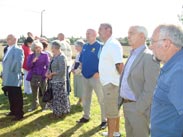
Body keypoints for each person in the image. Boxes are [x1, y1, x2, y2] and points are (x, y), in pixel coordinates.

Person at [118, 26, 160, 137]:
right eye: (128, 33)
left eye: (131, 33)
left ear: (142, 36)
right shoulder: (132, 54)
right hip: (127, 106)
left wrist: (139, 108)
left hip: (139, 109)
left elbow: (151, 88)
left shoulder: (149, 57)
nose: (128, 36)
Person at [150, 24, 183, 137]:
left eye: (153, 42)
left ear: (166, 44)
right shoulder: (173, 66)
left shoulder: (178, 71)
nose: (150, 47)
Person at [77, 28, 107, 129]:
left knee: (101, 99)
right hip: (85, 77)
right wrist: (79, 68)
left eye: (89, 33)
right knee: (85, 98)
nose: (87, 35)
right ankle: (86, 116)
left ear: (95, 34)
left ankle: (104, 120)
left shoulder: (100, 46)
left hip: (96, 77)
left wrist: (99, 72)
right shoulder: (84, 46)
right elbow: (81, 60)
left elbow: (105, 62)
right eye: (86, 33)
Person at [98, 23, 123, 137]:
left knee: (111, 112)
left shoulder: (112, 44)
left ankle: (110, 134)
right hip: (110, 82)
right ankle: (115, 132)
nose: (98, 32)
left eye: (100, 29)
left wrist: (122, 82)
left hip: (111, 83)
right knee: (114, 110)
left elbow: (119, 65)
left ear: (108, 30)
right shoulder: (108, 44)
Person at [2, 34, 24, 121]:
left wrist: (13, 73)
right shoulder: (8, 48)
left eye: (9, 38)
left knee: (16, 96)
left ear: (15, 40)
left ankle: (19, 114)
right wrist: (3, 74)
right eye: (7, 38)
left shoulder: (18, 49)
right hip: (8, 76)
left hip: (14, 76)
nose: (7, 40)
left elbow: (18, 63)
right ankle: (13, 111)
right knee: (10, 95)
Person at [46, 40, 70, 118]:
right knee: (55, 97)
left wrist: (52, 74)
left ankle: (58, 113)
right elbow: (50, 66)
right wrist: (48, 73)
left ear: (55, 47)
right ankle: (57, 111)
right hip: (53, 80)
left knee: (58, 98)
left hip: (59, 81)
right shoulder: (54, 56)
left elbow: (62, 71)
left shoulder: (61, 57)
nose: (51, 49)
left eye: (52, 47)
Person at [26, 40, 49, 112]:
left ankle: (44, 106)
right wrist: (33, 61)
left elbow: (48, 65)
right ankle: (34, 105)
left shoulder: (45, 55)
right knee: (34, 91)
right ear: (33, 48)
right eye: (36, 48)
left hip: (42, 74)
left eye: (39, 47)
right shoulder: (30, 56)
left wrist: (46, 73)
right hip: (33, 74)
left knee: (44, 91)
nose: (38, 49)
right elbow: (28, 66)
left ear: (41, 47)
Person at [71, 39, 85, 105]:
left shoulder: (84, 53)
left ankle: (82, 100)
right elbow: (75, 62)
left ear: (81, 46)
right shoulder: (78, 54)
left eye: (76, 46)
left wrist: (76, 71)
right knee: (78, 86)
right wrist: (72, 69)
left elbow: (82, 64)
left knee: (81, 87)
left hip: (81, 73)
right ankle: (80, 99)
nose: (75, 48)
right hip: (76, 72)